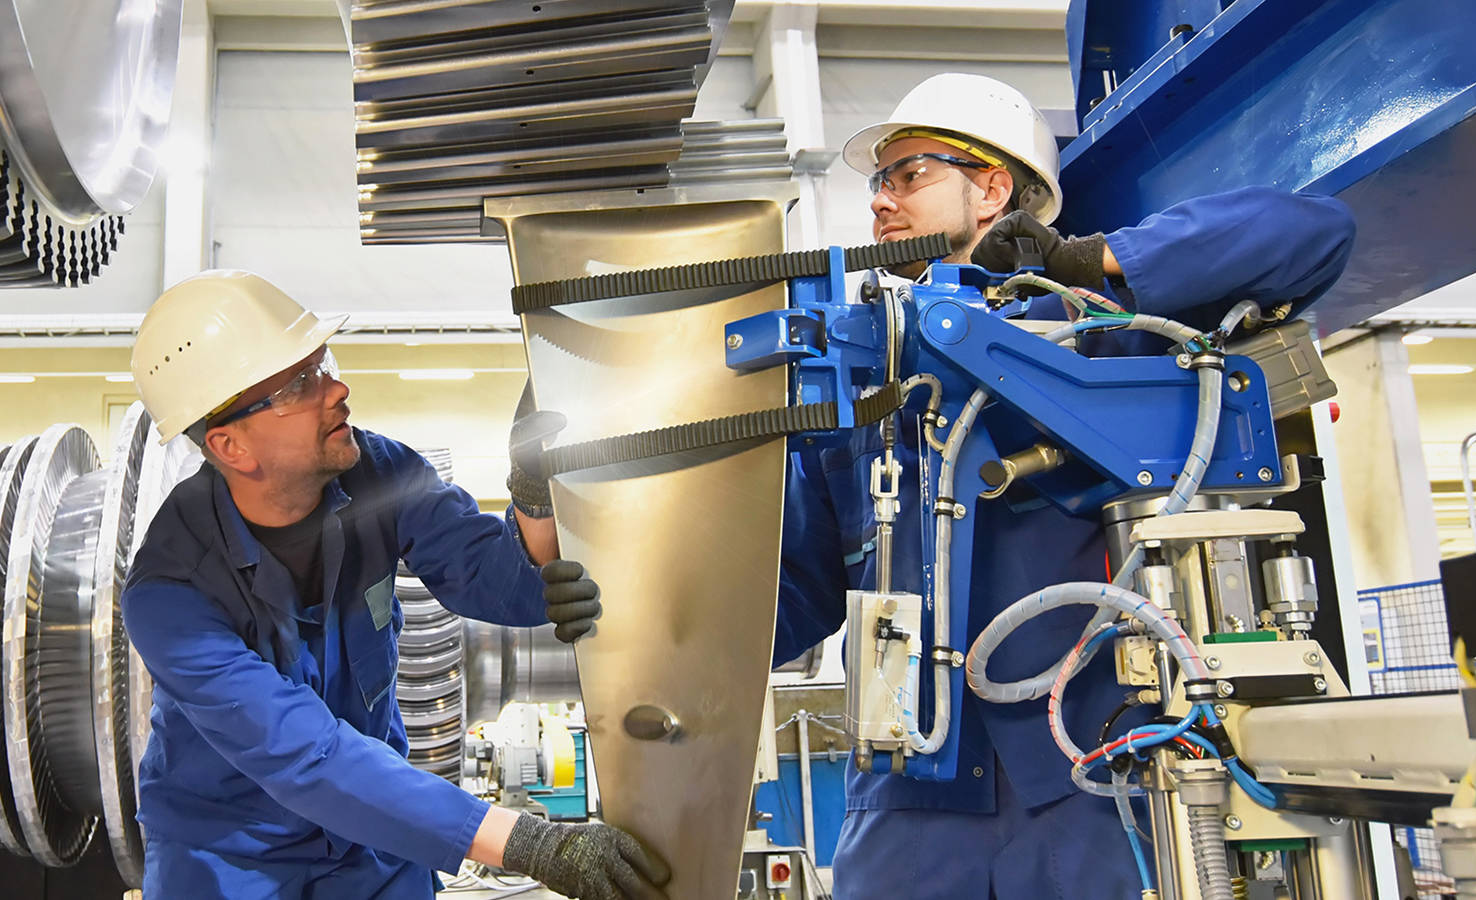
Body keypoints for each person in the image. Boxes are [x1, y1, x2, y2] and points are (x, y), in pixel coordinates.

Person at [774, 73, 1357, 898]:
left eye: (909, 175)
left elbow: (1317, 232)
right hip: (907, 800)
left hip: (1085, 784)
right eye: (877, 182)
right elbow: (792, 604)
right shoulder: (869, 394)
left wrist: (1098, 260)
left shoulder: (1105, 339)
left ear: (993, 187)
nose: (881, 201)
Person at [121, 270, 670, 900]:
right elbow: (306, 756)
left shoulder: (378, 474)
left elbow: (494, 577)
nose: (338, 389)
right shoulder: (170, 595)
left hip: (372, 847)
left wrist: (535, 494)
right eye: (302, 384)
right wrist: (531, 844)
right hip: (230, 858)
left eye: (323, 363)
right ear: (230, 444)